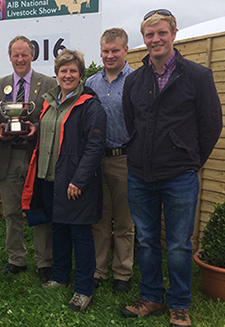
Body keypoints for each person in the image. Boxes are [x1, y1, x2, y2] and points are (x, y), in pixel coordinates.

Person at [121, 10, 222, 327]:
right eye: (149, 35)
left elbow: (211, 126)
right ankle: (151, 296)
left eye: (161, 33)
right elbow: (130, 123)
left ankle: (179, 304)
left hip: (180, 176)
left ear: (173, 34)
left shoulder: (198, 76)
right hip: (139, 174)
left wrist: (191, 160)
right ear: (144, 39)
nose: (155, 39)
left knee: (179, 244)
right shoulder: (134, 80)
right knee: (147, 240)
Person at [22, 49, 106, 313]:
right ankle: (59, 277)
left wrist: (79, 180)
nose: (67, 75)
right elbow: (48, 135)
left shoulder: (89, 104)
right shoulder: (49, 103)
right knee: (58, 229)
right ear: (56, 75)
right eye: (63, 71)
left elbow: (94, 147)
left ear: (81, 74)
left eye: (73, 71)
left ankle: (83, 290)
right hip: (49, 178)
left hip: (75, 182)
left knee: (80, 234)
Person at [0, 35, 57, 283]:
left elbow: (54, 118)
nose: (20, 59)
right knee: (11, 212)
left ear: (32, 55)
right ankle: (16, 258)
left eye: (24, 54)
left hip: (37, 157)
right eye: (15, 55)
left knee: (40, 210)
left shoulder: (49, 84)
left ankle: (44, 261)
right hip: (7, 157)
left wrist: (36, 128)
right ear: (9, 57)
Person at [85, 28, 135, 294]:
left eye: (115, 50)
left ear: (126, 50)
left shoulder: (136, 80)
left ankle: (123, 273)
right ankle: (98, 270)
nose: (110, 55)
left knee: (125, 221)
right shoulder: (91, 83)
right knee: (99, 218)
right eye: (105, 51)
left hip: (124, 158)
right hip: (95, 159)